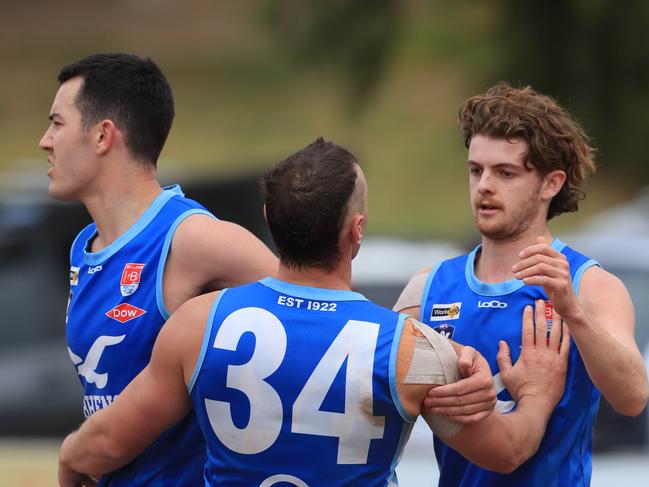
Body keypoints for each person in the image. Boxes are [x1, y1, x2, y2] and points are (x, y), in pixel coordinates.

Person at [58, 138, 570, 487]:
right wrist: (538, 395)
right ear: (357, 232)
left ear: (268, 221)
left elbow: (106, 441)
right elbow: (506, 452)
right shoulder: (412, 349)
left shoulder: (199, 324)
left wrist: (70, 457)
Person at [39, 53, 278, 487]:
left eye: (57, 123)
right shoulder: (84, 247)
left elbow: (320, 304)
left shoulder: (191, 238)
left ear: (102, 135)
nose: (44, 140)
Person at [395, 83, 649, 486]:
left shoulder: (588, 284)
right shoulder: (427, 288)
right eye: (476, 170)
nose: (485, 187)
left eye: (505, 173)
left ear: (551, 184)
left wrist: (573, 312)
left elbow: (633, 397)